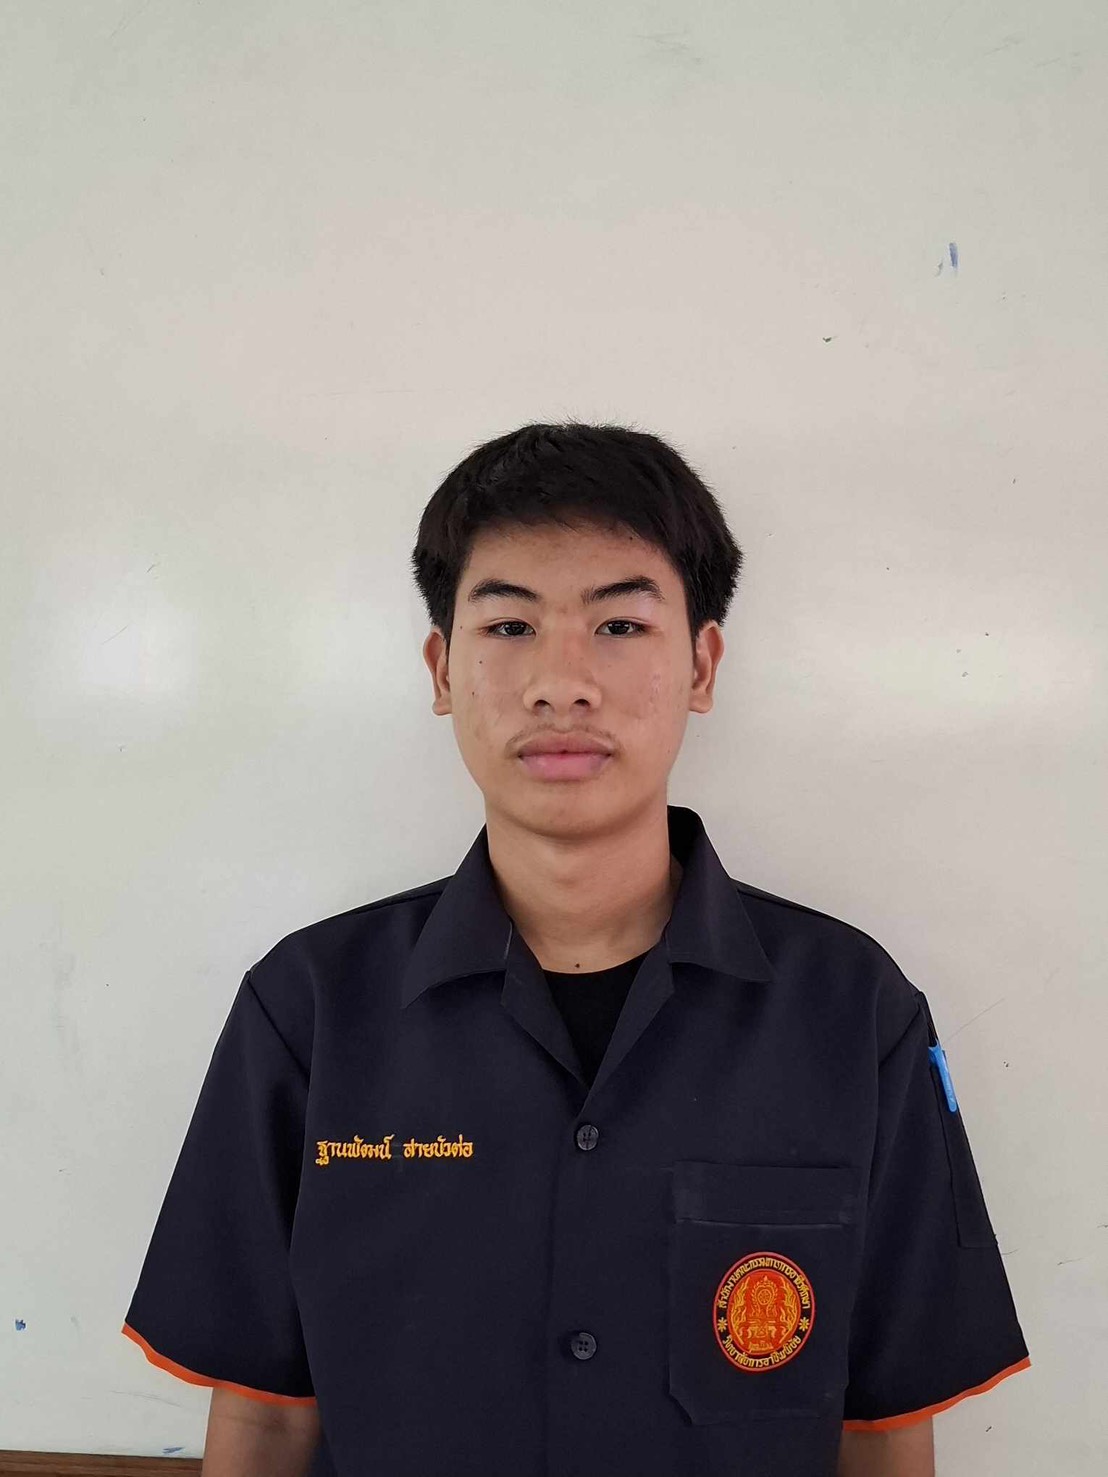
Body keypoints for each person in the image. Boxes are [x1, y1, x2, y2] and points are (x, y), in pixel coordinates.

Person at [122, 421, 1030, 1477]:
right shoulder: (311, 1009)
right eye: (509, 625)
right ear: (441, 667)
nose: (562, 683)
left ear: (701, 664)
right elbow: (269, 1419)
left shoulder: (852, 1013)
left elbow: (881, 1430)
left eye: (620, 625)